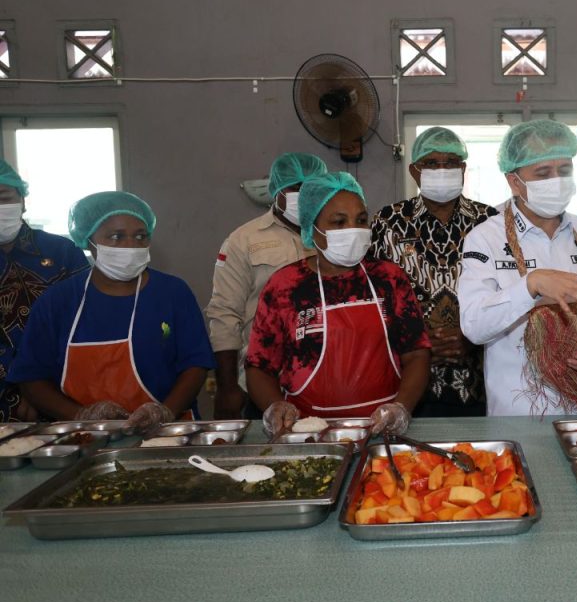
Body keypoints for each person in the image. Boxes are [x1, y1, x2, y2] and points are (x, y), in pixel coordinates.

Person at [458, 119, 577, 416]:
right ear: (514, 181)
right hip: (523, 412)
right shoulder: (485, 237)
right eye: (543, 173)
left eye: (564, 170)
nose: (557, 180)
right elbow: (474, 325)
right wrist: (530, 286)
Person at [8, 192, 215, 432]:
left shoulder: (173, 293)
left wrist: (165, 411)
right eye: (116, 237)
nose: (131, 246)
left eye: (140, 236)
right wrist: (82, 415)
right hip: (85, 436)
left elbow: (196, 364)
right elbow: (31, 376)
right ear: (88, 240)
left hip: (170, 433)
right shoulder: (59, 301)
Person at [246, 172, 431, 436]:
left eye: (361, 220)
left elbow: (417, 354)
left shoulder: (389, 279)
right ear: (312, 228)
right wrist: (274, 406)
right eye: (339, 222)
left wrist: (401, 407)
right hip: (307, 434)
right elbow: (259, 366)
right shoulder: (285, 287)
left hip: (382, 431)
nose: (353, 230)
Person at [370, 128, 496, 417]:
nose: (443, 169)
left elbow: (508, 295)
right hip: (406, 385)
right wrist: (416, 341)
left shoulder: (489, 222)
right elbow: (372, 298)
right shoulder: (387, 223)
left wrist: (473, 334)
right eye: (431, 163)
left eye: (451, 162)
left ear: (463, 169)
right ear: (414, 171)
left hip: (480, 381)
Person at [206, 152, 328, 419]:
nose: (305, 193)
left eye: (313, 186)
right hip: (262, 380)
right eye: (296, 187)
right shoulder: (244, 240)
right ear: (278, 189)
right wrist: (227, 388)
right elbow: (225, 314)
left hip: (324, 378)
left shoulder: (334, 234)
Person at [0, 163, 91, 422]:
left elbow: (84, 320)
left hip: (61, 394)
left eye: (3, 197)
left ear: (22, 201)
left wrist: (36, 387)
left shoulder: (61, 252)